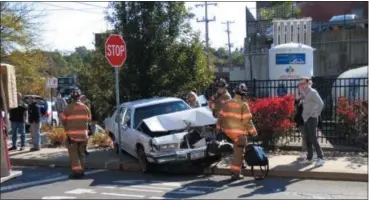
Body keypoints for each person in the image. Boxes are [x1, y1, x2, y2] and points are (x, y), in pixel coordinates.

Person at [216, 83, 258, 180]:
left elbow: (220, 117)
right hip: (239, 133)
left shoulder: (227, 103)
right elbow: (247, 121)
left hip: (228, 132)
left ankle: (241, 163)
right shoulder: (244, 104)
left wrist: (218, 128)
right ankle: (235, 173)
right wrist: (254, 132)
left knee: (237, 148)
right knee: (239, 152)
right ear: (244, 94)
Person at [60, 88, 91, 179]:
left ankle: (77, 172)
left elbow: (63, 120)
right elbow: (89, 120)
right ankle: (81, 171)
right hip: (84, 135)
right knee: (81, 154)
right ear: (79, 97)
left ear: (71, 97)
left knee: (74, 155)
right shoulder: (85, 108)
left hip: (72, 137)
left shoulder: (67, 108)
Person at [299, 77, 325, 166]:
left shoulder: (313, 92)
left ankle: (321, 158)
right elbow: (309, 102)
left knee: (313, 139)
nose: (301, 85)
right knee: (307, 139)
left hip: (312, 118)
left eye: (303, 83)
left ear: (307, 83)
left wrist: (316, 114)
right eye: (300, 84)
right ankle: (309, 158)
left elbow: (321, 103)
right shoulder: (305, 93)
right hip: (306, 118)